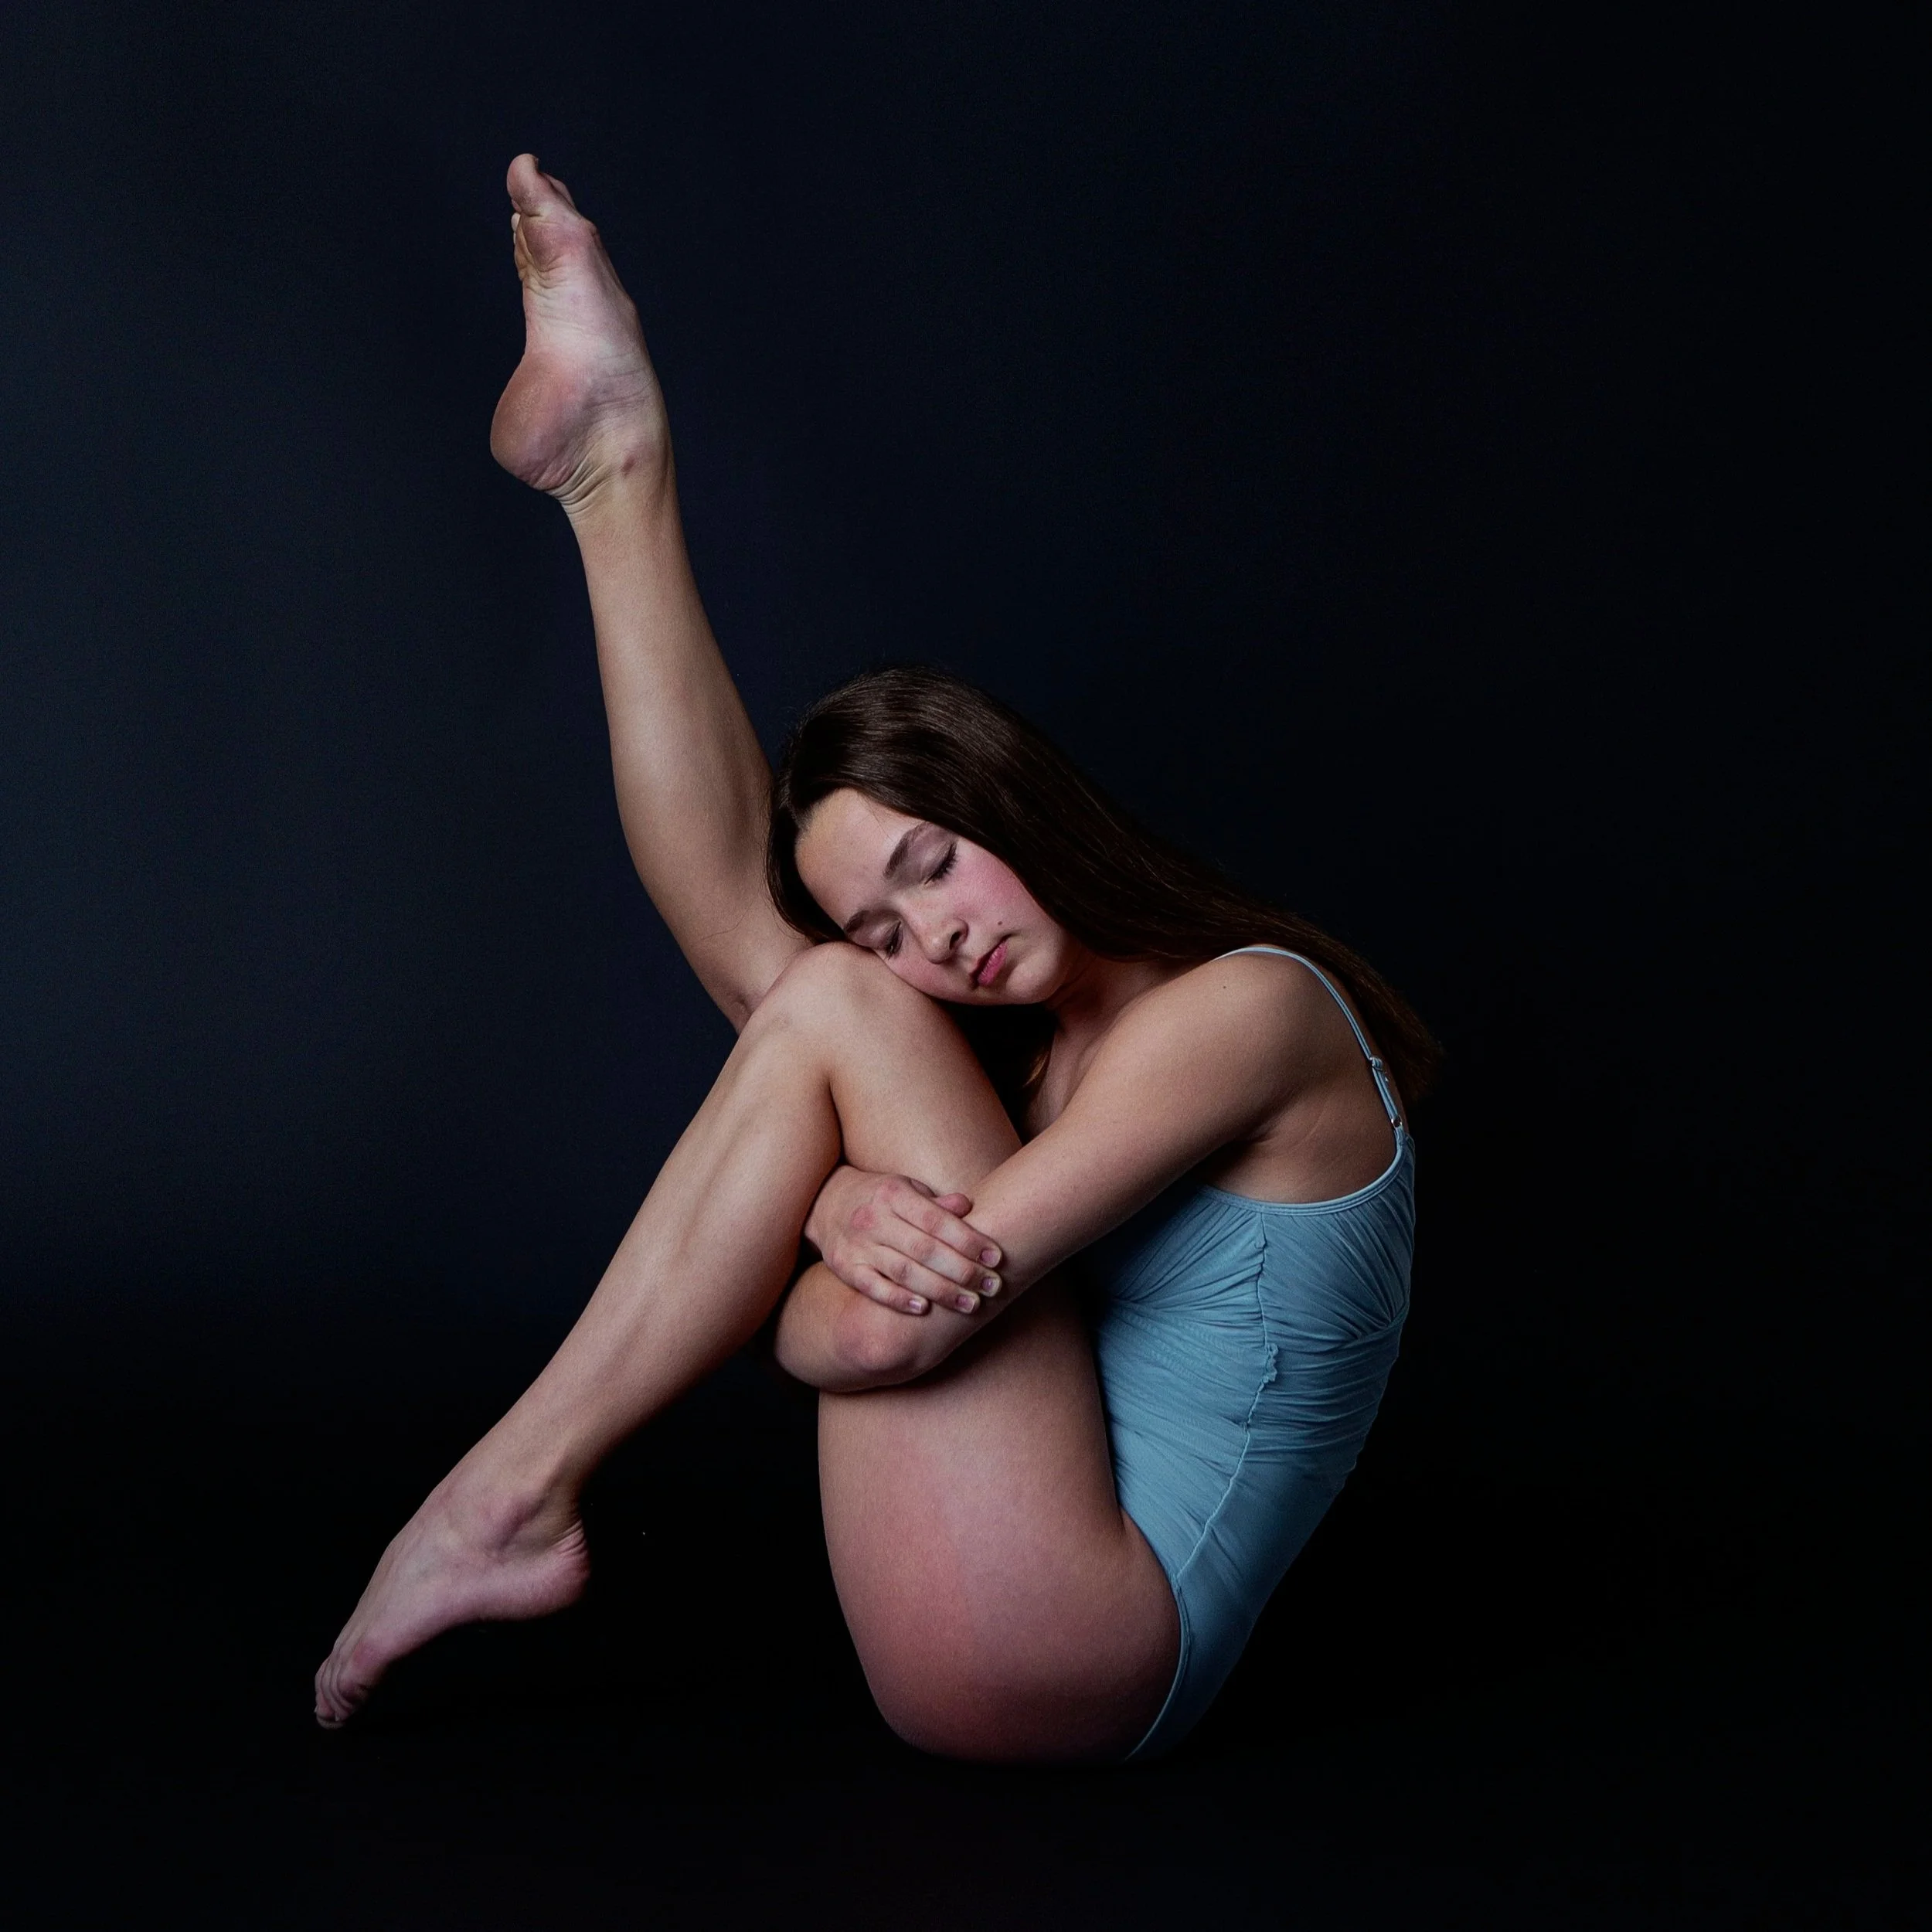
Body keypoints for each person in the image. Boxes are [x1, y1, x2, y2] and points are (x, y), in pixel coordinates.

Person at [314, 155, 1435, 1762]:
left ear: (1004, 792)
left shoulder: (1250, 1009)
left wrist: (820, 1237)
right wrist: (826, 1216)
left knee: (816, 1006)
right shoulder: (1031, 1051)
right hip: (998, 1602)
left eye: (931, 859)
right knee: (803, 992)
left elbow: (883, 1331)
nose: (943, 940)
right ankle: (608, 477)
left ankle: (508, 1486)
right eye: (890, 921)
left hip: (1086, 1639)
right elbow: (756, 969)